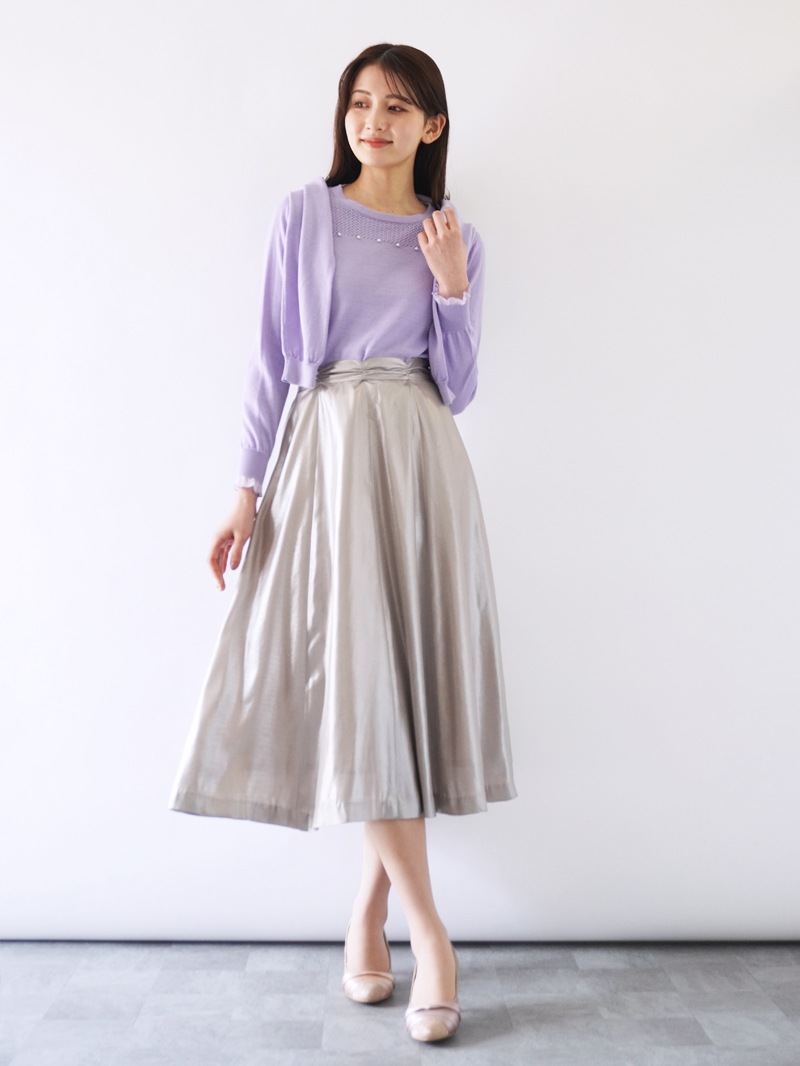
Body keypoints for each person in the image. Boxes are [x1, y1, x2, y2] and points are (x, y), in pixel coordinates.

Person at [167, 42, 517, 1044]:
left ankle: (367, 912)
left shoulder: (453, 235)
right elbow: (269, 360)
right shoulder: (304, 215)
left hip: (419, 461)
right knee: (362, 689)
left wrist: (451, 285)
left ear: (431, 125)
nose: (374, 122)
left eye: (397, 108)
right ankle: (429, 933)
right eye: (361, 103)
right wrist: (246, 491)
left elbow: (458, 387)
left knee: (400, 691)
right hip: (324, 460)